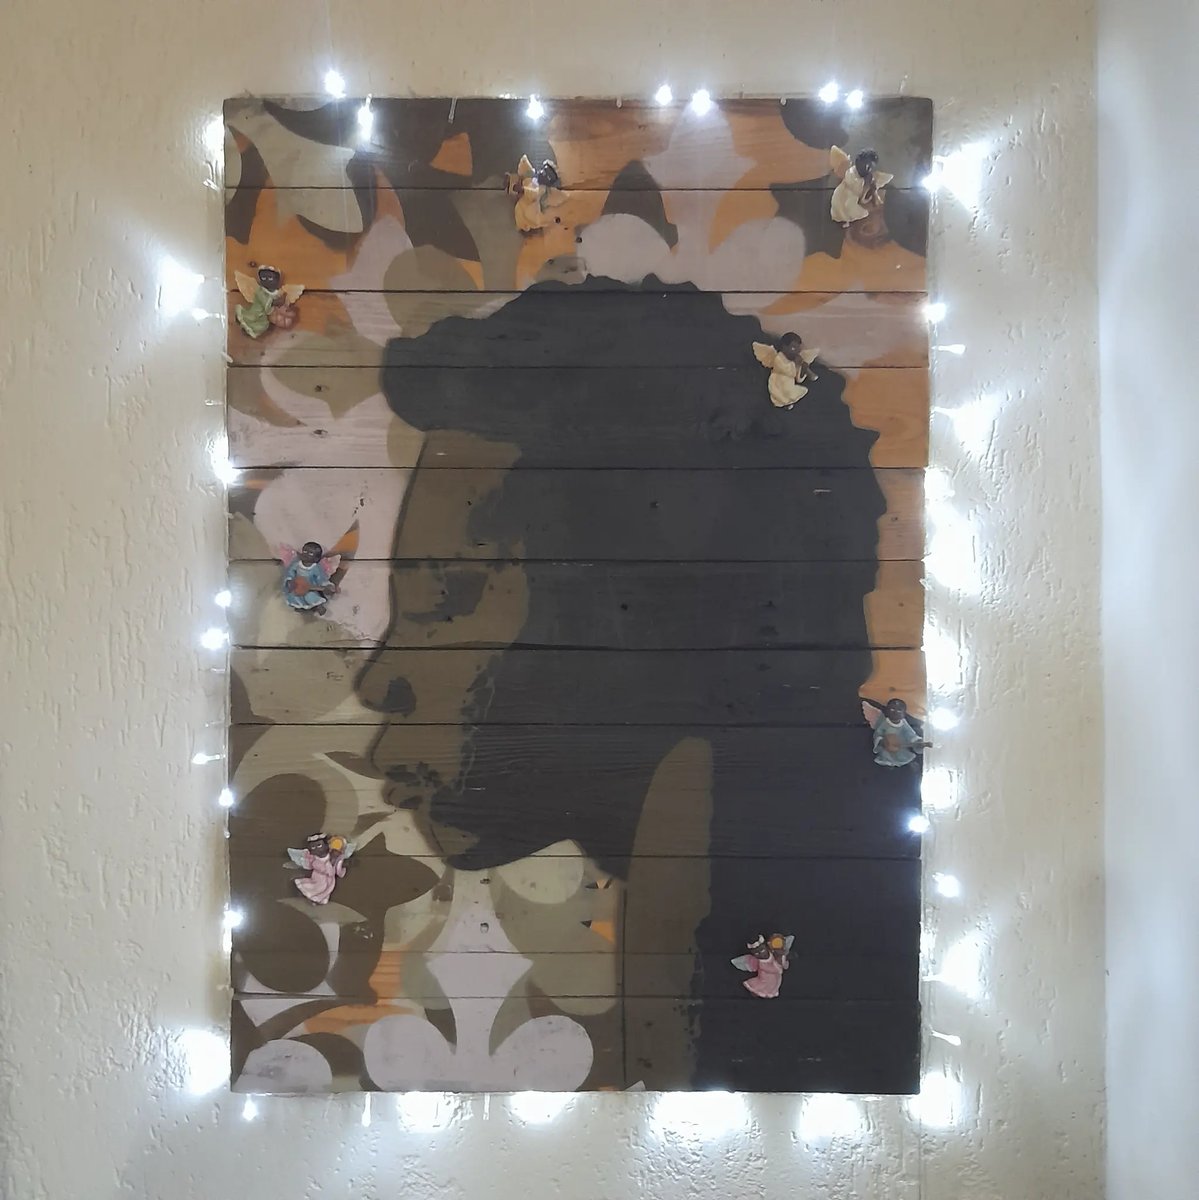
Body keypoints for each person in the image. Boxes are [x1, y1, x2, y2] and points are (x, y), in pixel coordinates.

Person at [752, 332, 820, 408]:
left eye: (798, 349)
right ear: (784, 347)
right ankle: (784, 403)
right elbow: (786, 370)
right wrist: (795, 364)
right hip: (778, 382)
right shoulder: (778, 358)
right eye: (793, 348)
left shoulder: (794, 361)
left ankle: (787, 403)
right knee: (783, 394)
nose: (796, 352)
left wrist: (804, 368)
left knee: (791, 392)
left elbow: (798, 379)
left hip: (789, 383)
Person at [863, 697, 931, 767]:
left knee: (905, 757)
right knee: (886, 755)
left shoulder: (904, 723)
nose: (895, 712)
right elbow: (878, 734)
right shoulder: (885, 723)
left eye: (899, 710)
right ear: (887, 711)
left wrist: (917, 741)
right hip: (887, 749)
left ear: (904, 714)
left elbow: (910, 734)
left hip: (902, 747)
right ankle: (889, 765)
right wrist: (882, 741)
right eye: (892, 709)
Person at [282, 541, 336, 616]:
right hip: (297, 586)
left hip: (310, 588)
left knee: (311, 596)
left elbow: (321, 578)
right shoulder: (297, 564)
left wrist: (326, 586)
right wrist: (290, 580)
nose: (306, 554)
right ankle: (300, 607)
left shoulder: (316, 567)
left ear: (316, 558)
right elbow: (290, 572)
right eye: (304, 551)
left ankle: (318, 607)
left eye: (310, 553)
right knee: (295, 596)